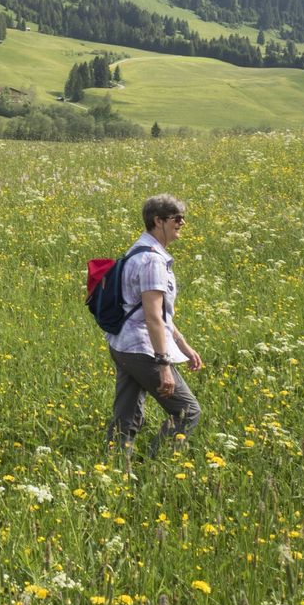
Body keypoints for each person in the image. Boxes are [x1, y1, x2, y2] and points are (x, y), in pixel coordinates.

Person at [104, 194, 204, 459]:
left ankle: (115, 465)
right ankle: (156, 463)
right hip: (141, 348)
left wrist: (182, 344)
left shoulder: (140, 250)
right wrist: (164, 365)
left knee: (126, 414)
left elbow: (158, 314)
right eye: (176, 218)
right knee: (187, 411)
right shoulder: (152, 261)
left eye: (183, 217)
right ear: (158, 221)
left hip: (122, 344)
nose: (182, 223)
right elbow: (152, 317)